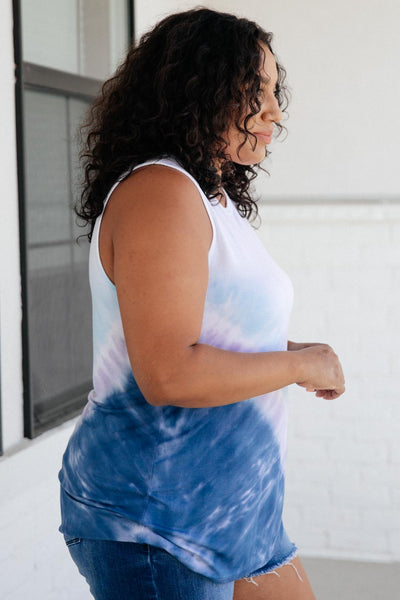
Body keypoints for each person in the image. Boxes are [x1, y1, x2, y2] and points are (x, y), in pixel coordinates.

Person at [58, 7, 345, 600]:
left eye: (273, 90)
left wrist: (299, 350)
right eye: (253, 91)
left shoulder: (208, 196)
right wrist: (297, 366)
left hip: (231, 508)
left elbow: (210, 334)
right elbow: (168, 372)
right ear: (198, 90)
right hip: (156, 522)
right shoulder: (160, 192)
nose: (274, 112)